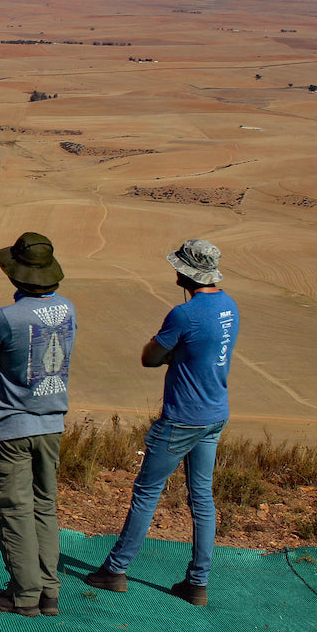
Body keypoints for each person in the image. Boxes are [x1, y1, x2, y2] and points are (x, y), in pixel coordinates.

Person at [84, 239, 238, 607]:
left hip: (181, 417)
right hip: (215, 414)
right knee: (201, 497)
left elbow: (149, 358)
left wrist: (170, 351)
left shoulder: (183, 314)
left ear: (187, 272)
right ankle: (197, 583)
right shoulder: (229, 306)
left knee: (147, 491)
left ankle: (116, 569)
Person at [0, 232, 75, 617]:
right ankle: (49, 590)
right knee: (45, 505)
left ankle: (24, 594)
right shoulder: (68, 310)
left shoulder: (6, 316)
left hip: (12, 424)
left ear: (16, 274)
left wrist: (3, 361)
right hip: (52, 422)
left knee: (14, 508)